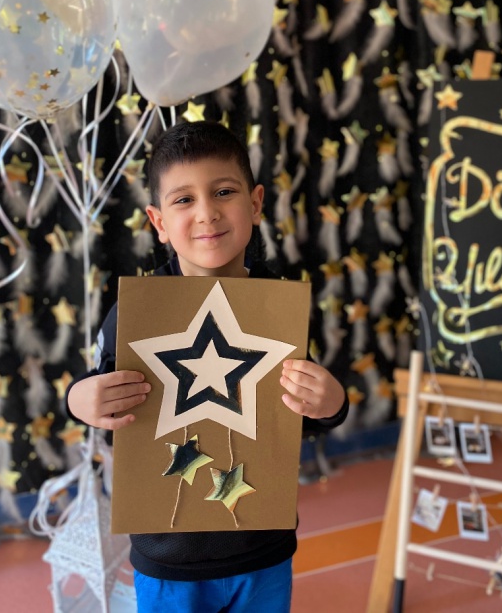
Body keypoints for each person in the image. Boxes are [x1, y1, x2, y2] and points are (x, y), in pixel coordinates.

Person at [67, 120, 348, 613]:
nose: (207, 212)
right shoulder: (135, 313)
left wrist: (332, 403)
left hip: (262, 549)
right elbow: (100, 392)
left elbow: (299, 414)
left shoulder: (282, 307)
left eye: (223, 191)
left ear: (255, 203)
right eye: (184, 199)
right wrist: (79, 399)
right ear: (158, 221)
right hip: (167, 558)